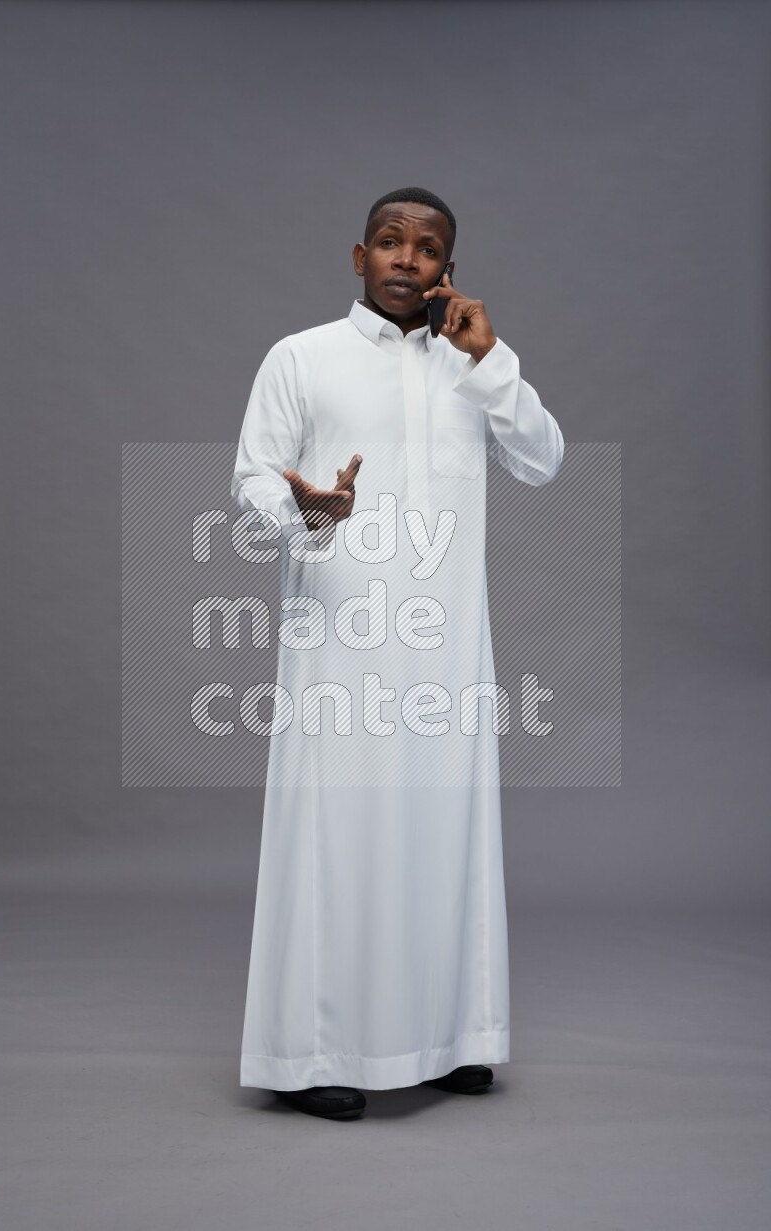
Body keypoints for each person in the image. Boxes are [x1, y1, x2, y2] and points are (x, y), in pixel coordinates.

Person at [230, 187, 564, 1120]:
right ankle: (320, 1051)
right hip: (340, 641)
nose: (406, 258)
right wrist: (305, 508)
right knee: (340, 841)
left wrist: (491, 359)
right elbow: (252, 474)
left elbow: (542, 459)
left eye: (426, 247)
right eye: (389, 242)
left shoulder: (475, 363)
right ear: (358, 256)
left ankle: (455, 1037)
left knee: (446, 835)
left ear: (447, 266)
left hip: (450, 648)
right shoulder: (302, 357)